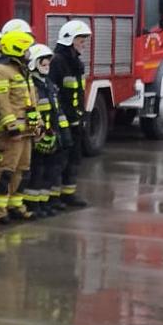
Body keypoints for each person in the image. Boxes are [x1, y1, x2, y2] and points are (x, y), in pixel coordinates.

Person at [0, 30, 39, 223]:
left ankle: (15, 204)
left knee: (22, 170)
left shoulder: (23, 72)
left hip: (26, 132)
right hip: (10, 134)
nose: (29, 53)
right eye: (26, 49)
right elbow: (1, 102)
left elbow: (31, 102)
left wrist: (37, 126)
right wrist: (11, 126)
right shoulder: (0, 71)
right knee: (4, 171)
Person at [49, 21, 92, 209]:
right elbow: (54, 93)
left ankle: (68, 193)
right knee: (59, 161)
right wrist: (59, 120)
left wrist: (81, 117)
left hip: (76, 120)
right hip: (62, 121)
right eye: (80, 40)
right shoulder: (57, 62)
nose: (83, 44)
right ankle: (54, 196)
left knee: (74, 159)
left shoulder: (77, 64)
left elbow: (79, 93)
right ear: (69, 40)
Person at [24, 44, 65, 216]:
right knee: (36, 171)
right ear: (33, 63)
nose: (47, 65)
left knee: (51, 170)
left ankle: (45, 202)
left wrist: (63, 134)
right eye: (43, 62)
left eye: (48, 62)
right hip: (38, 138)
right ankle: (33, 204)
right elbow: (30, 111)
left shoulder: (48, 84)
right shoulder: (31, 85)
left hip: (51, 135)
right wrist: (37, 135)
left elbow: (57, 111)